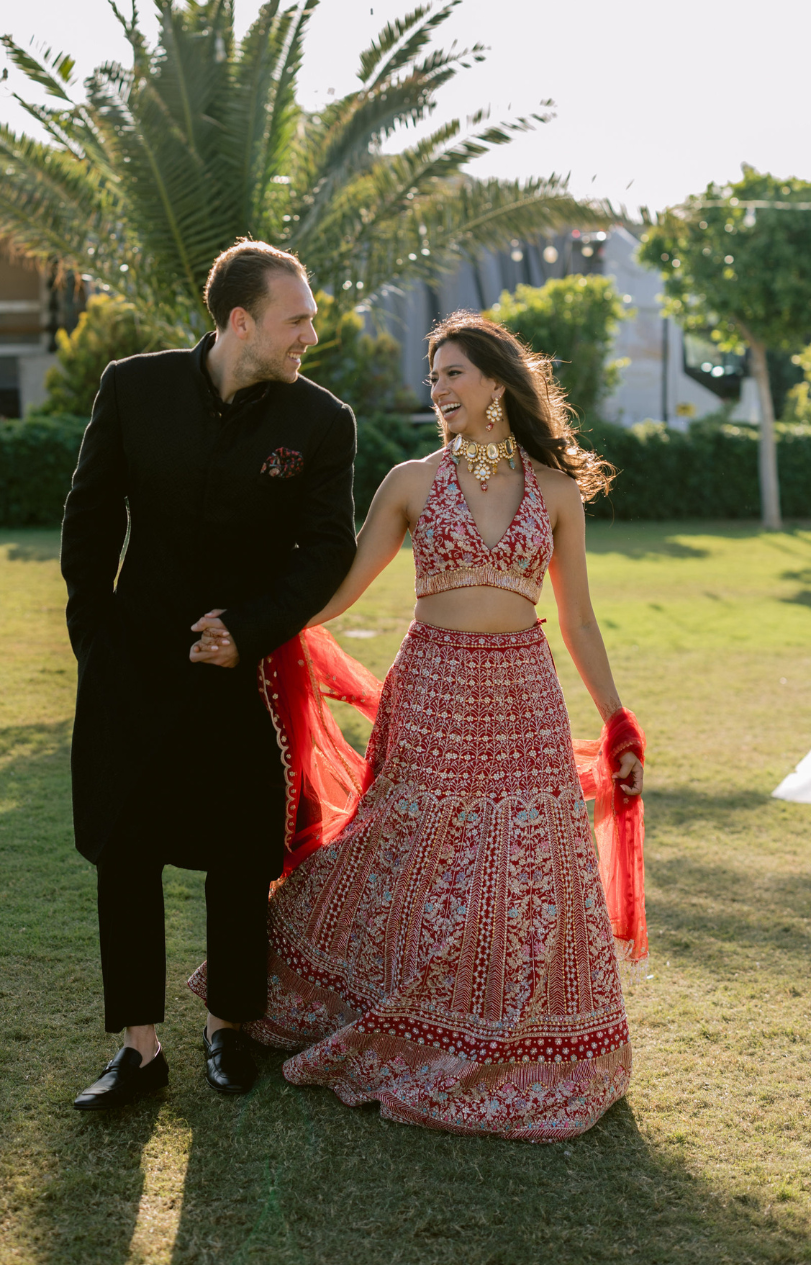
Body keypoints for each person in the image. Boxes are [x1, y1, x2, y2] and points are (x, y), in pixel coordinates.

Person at [190, 310, 646, 1141]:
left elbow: (579, 620)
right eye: (433, 376)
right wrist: (256, 630)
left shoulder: (554, 492)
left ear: (498, 384)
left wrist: (618, 721)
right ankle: (310, 989)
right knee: (401, 849)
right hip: (433, 687)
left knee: (526, 867)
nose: (437, 388)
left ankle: (509, 1034)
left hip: (523, 696)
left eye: (453, 373)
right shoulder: (409, 480)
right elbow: (344, 588)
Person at [60, 239, 357, 1109]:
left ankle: (230, 1027)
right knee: (126, 848)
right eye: (295, 318)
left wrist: (253, 630)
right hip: (131, 664)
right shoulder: (132, 386)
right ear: (240, 321)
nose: (310, 333)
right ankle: (139, 1050)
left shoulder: (321, 420)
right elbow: (89, 513)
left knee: (238, 849)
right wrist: (95, 636)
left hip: (243, 671)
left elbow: (326, 550)